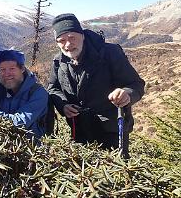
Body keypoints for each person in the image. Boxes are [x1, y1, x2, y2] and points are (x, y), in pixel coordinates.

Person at [47, 13, 145, 157]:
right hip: (79, 130)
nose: (68, 44)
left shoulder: (110, 53)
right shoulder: (58, 61)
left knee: (115, 175)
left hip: (111, 130)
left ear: (83, 35)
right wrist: (63, 106)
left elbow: (136, 84)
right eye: (61, 40)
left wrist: (126, 94)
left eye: (72, 37)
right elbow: (52, 88)